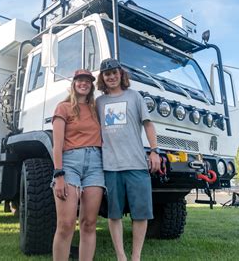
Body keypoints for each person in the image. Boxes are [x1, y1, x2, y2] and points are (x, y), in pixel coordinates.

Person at [96, 58, 161, 261]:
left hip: (136, 165)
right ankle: (121, 256)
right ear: (102, 78)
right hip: (111, 167)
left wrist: (154, 151)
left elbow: (148, 125)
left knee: (140, 214)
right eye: (107, 74)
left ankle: (136, 256)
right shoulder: (99, 102)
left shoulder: (135, 97)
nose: (111, 77)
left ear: (121, 74)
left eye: (114, 72)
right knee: (114, 214)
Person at [52, 69, 105, 261]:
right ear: (73, 84)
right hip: (70, 163)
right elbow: (57, 145)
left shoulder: (95, 109)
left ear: (91, 86)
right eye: (80, 80)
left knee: (89, 223)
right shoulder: (63, 107)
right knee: (66, 224)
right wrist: (59, 175)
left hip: (95, 164)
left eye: (88, 81)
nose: (84, 83)